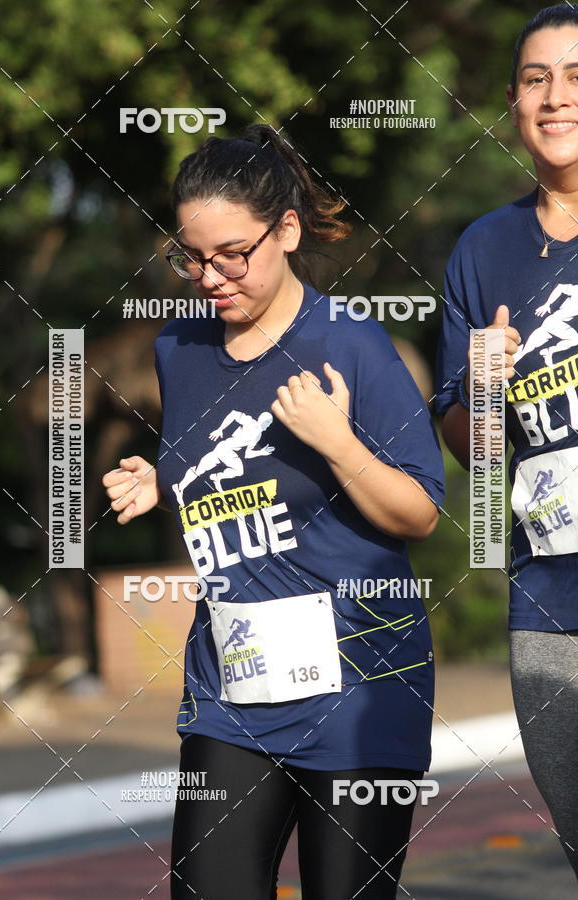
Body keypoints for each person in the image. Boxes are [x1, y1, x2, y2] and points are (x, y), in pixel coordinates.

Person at [103, 123, 445, 899]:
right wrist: (161, 480)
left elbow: (420, 511)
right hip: (232, 691)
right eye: (190, 257)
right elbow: (216, 454)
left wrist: (338, 444)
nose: (209, 277)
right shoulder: (180, 349)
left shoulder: (352, 345)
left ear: (286, 231)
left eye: (231, 255)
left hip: (360, 685)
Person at [435, 3, 578, 880]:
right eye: (536, 79)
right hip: (551, 602)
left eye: (576, 77)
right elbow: (474, 450)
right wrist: (482, 390)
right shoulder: (483, 249)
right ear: (515, 103)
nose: (556, 97)